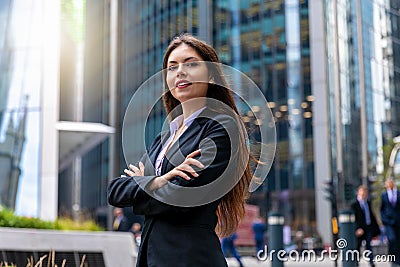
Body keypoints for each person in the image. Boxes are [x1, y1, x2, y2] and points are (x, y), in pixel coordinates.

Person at [108, 33, 252, 267]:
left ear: (212, 76)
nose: (180, 72)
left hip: (191, 258)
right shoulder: (164, 138)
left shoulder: (222, 128)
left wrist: (142, 187)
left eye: (191, 64)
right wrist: (161, 180)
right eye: (172, 67)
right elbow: (114, 191)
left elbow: (181, 199)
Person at [350, 185, 380, 267]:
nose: (363, 194)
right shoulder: (354, 205)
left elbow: (372, 216)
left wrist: (376, 228)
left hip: (368, 228)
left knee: (369, 245)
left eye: (365, 193)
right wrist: (357, 229)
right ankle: (356, 262)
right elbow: (354, 218)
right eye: (362, 193)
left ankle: (371, 262)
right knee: (357, 246)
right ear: (358, 193)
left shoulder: (368, 203)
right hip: (359, 229)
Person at [380, 178, 400, 266]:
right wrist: (384, 220)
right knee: (392, 239)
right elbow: (382, 209)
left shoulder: (399, 194)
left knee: (398, 241)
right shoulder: (384, 195)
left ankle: (398, 260)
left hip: (398, 222)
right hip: (389, 223)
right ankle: (393, 259)